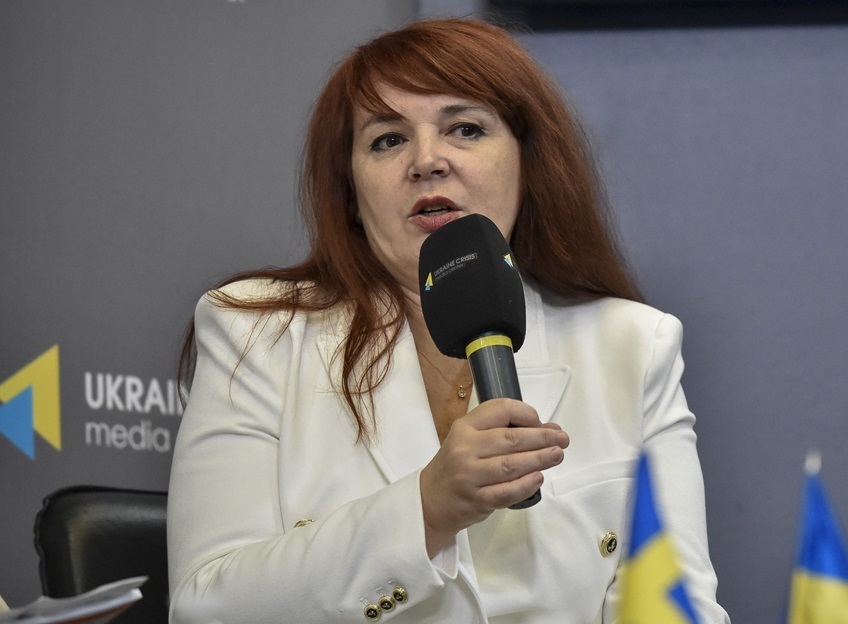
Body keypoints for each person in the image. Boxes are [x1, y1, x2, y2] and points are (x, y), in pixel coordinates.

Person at [168, 18, 728, 624]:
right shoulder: (258, 335)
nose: (427, 160)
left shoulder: (632, 345)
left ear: (528, 163)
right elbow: (205, 607)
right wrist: (425, 510)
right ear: (350, 193)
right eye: (388, 140)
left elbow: (675, 609)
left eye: (465, 129)